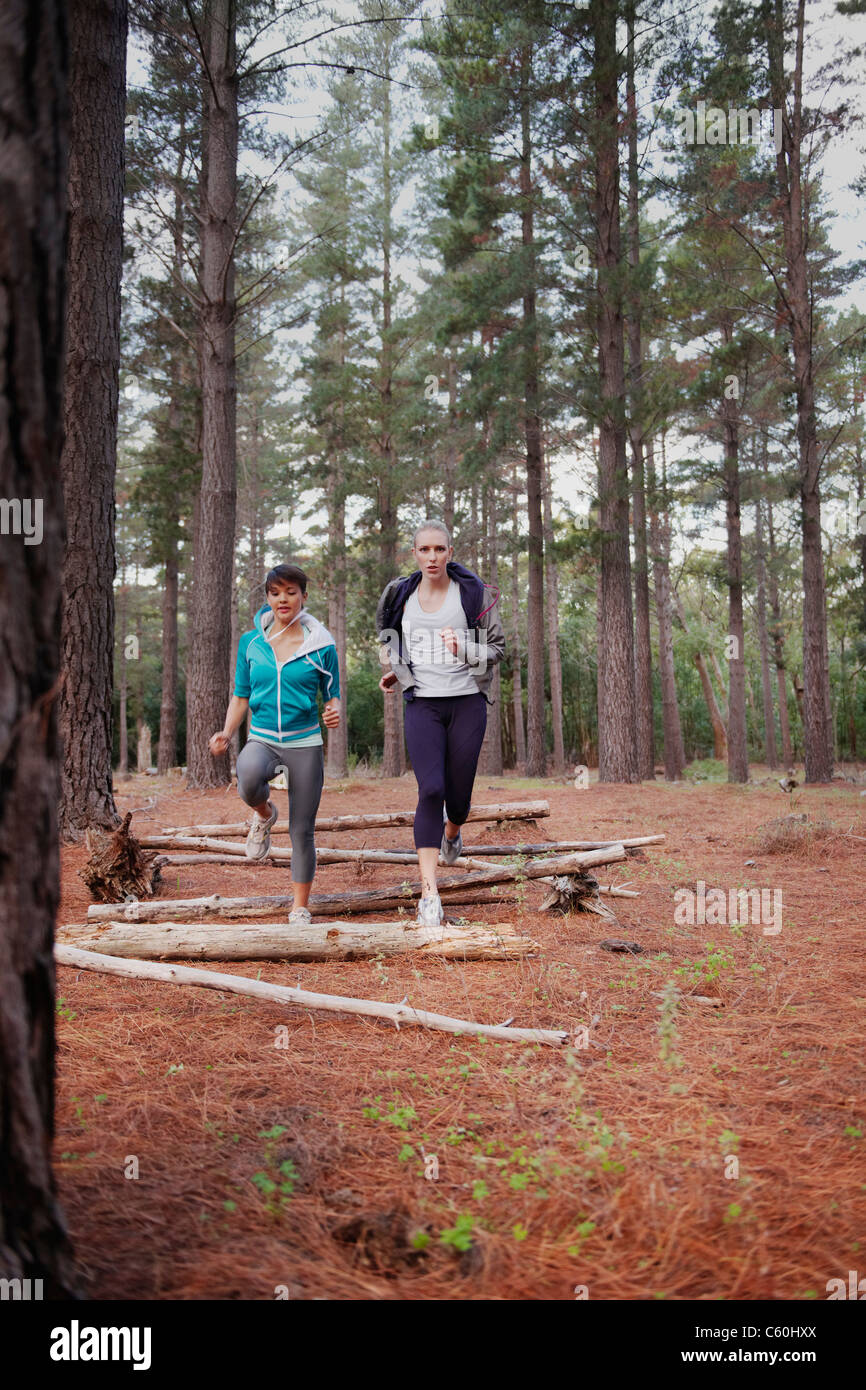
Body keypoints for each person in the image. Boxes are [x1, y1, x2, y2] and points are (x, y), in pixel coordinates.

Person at [376, 520, 506, 927]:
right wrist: (397, 670)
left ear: (450, 552)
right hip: (423, 705)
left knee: (460, 799)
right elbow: (389, 635)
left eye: (439, 549)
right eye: (424, 550)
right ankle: (429, 893)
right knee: (430, 788)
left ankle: (453, 831)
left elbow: (498, 649)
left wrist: (463, 646)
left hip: (467, 701)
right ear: (413, 554)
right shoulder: (400, 593)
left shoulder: (472, 593)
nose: (432, 557)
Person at [209, 563, 340, 924]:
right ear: (267, 598)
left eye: (291, 592)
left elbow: (333, 695)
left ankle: (299, 906)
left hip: (305, 742)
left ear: (303, 597)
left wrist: (333, 713)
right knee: (247, 777)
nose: (283, 599)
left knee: (302, 828)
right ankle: (265, 815)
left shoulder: (321, 644)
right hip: (263, 737)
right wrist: (226, 731)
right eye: (275, 592)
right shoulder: (251, 642)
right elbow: (241, 694)